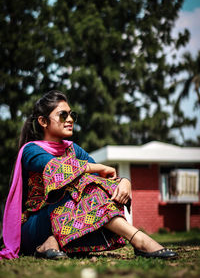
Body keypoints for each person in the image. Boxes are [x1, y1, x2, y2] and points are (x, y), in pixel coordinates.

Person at [0, 90, 177, 260]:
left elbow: (100, 181)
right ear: (43, 121)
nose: (70, 120)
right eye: (63, 115)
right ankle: (139, 239)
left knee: (91, 184)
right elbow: (58, 169)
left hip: (65, 221)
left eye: (72, 115)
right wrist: (97, 166)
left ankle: (52, 243)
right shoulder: (32, 150)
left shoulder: (73, 149)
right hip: (34, 227)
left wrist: (124, 182)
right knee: (77, 181)